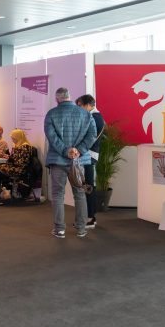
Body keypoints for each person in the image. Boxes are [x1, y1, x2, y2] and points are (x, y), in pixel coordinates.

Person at [44, 87, 97, 239]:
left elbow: (51, 137)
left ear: (57, 99)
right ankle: (81, 228)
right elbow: (92, 135)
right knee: (80, 194)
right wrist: (78, 150)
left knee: (58, 195)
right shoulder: (86, 114)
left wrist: (66, 151)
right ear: (70, 97)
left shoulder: (51, 114)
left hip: (58, 160)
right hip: (79, 161)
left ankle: (60, 229)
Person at [76, 94, 106, 229]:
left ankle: (91, 218)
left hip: (89, 155)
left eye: (80, 106)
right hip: (87, 154)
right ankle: (86, 217)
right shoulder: (93, 116)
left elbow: (89, 138)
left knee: (88, 186)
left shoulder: (95, 118)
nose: (79, 109)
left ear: (88, 105)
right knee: (86, 185)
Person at [0, 129, 37, 199]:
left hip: (19, 169)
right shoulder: (19, 145)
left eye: (13, 138)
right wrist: (8, 156)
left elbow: (20, 162)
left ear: (18, 137)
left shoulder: (25, 147)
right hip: (16, 167)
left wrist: (10, 158)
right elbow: (16, 158)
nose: (12, 140)